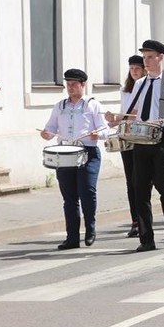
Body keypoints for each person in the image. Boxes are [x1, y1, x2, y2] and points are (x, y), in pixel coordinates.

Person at [117, 40, 164, 252]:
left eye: (150, 57)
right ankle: (146, 238)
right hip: (141, 137)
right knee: (139, 188)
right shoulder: (140, 84)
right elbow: (133, 112)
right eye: (144, 58)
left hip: (163, 135)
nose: (146, 62)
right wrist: (117, 119)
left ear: (160, 57)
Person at [41, 69, 109, 250]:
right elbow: (51, 127)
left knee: (87, 192)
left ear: (83, 85)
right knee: (69, 197)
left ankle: (90, 229)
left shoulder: (92, 105)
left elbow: (105, 129)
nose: (70, 88)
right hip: (64, 154)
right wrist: (46, 133)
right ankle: (72, 237)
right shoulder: (60, 106)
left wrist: (97, 134)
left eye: (74, 84)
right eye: (68, 84)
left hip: (87, 152)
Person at [105, 55, 145, 238]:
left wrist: (123, 116)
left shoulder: (147, 87)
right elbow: (127, 112)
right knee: (131, 180)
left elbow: (137, 112)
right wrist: (114, 121)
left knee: (143, 180)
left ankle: (144, 218)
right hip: (127, 135)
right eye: (132, 69)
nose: (134, 71)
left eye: (138, 68)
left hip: (143, 136)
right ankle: (135, 220)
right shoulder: (125, 90)